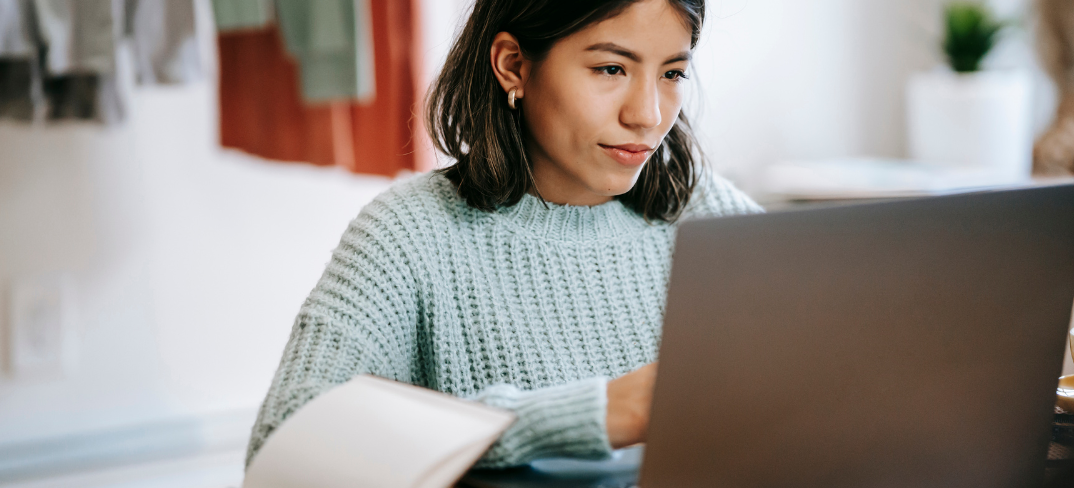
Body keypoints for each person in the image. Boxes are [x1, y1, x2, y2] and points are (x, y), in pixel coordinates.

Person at [246, 0, 762, 469]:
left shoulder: (701, 208)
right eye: (611, 68)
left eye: (672, 72)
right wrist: (589, 415)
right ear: (513, 64)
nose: (648, 115)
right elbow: (282, 443)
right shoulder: (410, 234)